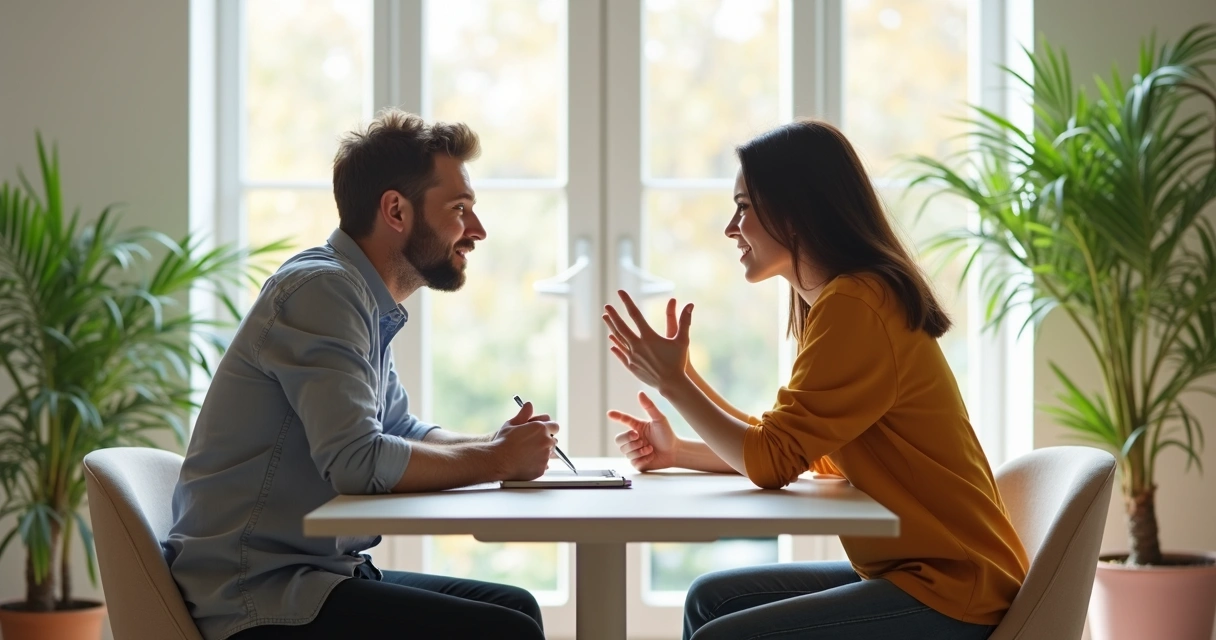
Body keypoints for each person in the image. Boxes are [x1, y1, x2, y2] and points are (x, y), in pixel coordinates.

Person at [602, 119, 1028, 640]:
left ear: (795, 210)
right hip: (917, 575)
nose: (731, 228)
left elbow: (772, 459)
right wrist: (680, 446)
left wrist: (675, 384)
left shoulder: (858, 304)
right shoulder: (847, 300)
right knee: (712, 600)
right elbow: (795, 448)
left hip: (954, 590)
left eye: (743, 207)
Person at [165, 109, 556, 640]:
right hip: (257, 595)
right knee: (506, 630)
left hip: (319, 575)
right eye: (459, 208)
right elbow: (357, 461)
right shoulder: (324, 291)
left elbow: (400, 431)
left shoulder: (360, 297)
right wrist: (496, 460)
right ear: (396, 210)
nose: (477, 230)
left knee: (516, 607)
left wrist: (494, 444)